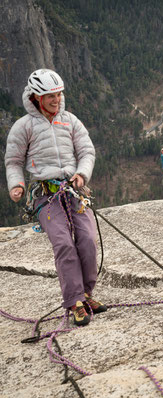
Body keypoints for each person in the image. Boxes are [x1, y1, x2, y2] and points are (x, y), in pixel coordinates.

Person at [5, 68, 107, 326]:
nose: (56, 99)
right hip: (45, 195)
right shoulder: (24, 126)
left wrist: (82, 174)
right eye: (50, 95)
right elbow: (14, 161)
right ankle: (74, 302)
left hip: (74, 190)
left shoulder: (70, 121)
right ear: (36, 97)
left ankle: (86, 293)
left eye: (59, 94)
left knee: (87, 241)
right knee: (63, 244)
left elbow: (87, 151)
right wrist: (16, 184)